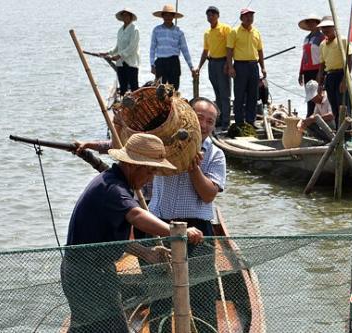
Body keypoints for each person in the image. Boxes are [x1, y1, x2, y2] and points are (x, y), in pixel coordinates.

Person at [61, 133, 204, 333]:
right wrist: (177, 231)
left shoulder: (115, 183)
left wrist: (145, 253)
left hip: (95, 270)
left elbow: (106, 236)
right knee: (101, 328)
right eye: (150, 171)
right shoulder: (113, 189)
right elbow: (136, 215)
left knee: (100, 328)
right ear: (133, 166)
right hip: (86, 272)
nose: (150, 178)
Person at [147, 97, 226, 333]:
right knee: (160, 295)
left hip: (198, 228)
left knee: (202, 294)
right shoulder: (164, 142)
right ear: (187, 117)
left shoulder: (215, 154)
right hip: (159, 223)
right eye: (199, 118)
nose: (204, 125)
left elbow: (208, 194)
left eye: (210, 121)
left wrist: (194, 168)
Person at [226, 7, 267, 128]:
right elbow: (229, 51)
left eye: (251, 16)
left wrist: (263, 67)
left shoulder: (256, 32)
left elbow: (260, 51)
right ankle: (239, 121)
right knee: (239, 94)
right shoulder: (234, 32)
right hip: (240, 65)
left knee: (253, 94)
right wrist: (230, 67)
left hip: (253, 66)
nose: (249, 18)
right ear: (241, 18)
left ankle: (251, 120)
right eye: (246, 16)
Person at [196, 6, 232, 130]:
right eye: (208, 15)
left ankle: (226, 122)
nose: (210, 17)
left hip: (223, 62)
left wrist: (228, 64)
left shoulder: (225, 29)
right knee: (217, 93)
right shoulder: (207, 33)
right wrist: (199, 67)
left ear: (217, 15)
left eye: (212, 15)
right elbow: (205, 51)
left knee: (225, 94)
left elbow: (229, 48)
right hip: (212, 64)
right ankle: (220, 119)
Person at [316, 15, 352, 129]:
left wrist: (345, 81)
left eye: (328, 27)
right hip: (330, 76)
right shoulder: (323, 44)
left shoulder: (342, 40)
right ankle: (339, 132)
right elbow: (322, 65)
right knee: (334, 106)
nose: (325, 30)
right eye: (323, 28)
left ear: (334, 27)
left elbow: (350, 61)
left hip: (341, 74)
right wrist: (320, 83)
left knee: (344, 106)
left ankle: (347, 133)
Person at [150, 4, 196, 91]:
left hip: (173, 62)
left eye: (170, 15)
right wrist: (152, 64)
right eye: (166, 15)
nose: (168, 17)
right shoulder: (156, 30)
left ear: (173, 16)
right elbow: (152, 48)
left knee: (174, 89)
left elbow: (185, 50)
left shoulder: (179, 32)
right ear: (162, 16)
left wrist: (191, 67)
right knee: (160, 89)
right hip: (160, 62)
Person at [100, 8, 140, 96]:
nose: (125, 17)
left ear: (131, 17)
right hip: (120, 63)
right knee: (123, 86)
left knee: (134, 87)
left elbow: (132, 47)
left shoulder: (134, 29)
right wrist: (107, 53)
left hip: (131, 62)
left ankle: (137, 107)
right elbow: (118, 47)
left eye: (127, 15)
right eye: (124, 15)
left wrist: (119, 55)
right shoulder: (120, 30)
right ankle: (123, 106)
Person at [298, 14, 325, 118]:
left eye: (312, 22)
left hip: (317, 69)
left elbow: (323, 56)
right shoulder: (306, 38)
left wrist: (321, 73)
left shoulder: (321, 37)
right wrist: (300, 73)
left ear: (317, 24)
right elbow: (303, 56)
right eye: (308, 22)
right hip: (306, 70)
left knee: (318, 94)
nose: (310, 24)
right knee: (309, 94)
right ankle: (309, 114)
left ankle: (318, 115)